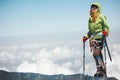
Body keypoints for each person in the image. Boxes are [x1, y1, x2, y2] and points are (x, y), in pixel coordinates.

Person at [82, 2, 109, 77]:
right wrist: (87, 37)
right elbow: (91, 31)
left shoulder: (101, 17)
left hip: (100, 38)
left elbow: (106, 26)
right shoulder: (90, 19)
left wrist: (105, 32)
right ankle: (100, 71)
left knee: (96, 53)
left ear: (98, 9)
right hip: (93, 39)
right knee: (97, 55)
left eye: (94, 7)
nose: (92, 9)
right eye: (92, 7)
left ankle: (101, 72)